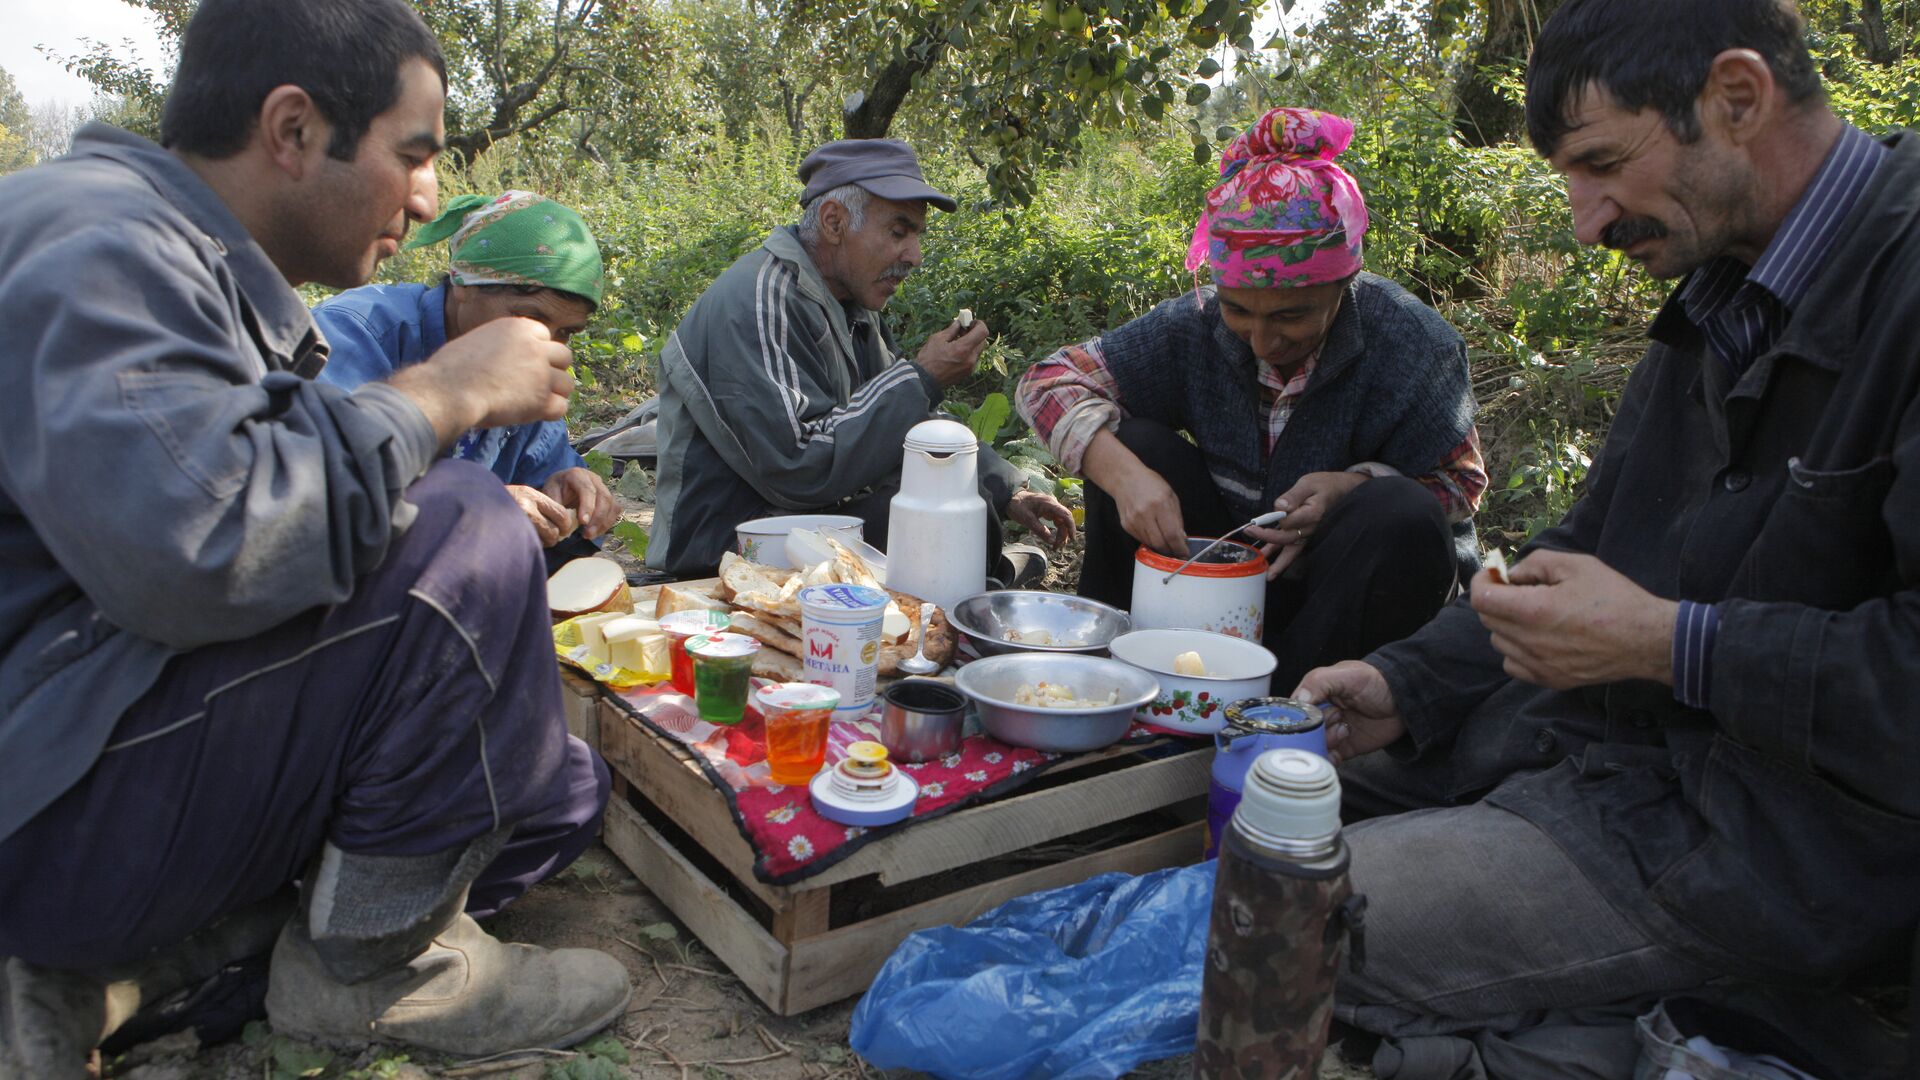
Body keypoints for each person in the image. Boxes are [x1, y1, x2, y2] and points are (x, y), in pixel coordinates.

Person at [0, 0, 630, 1073]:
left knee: (557, 788)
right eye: (415, 154)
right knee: (469, 533)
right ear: (293, 130)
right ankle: (378, 978)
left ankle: (155, 970)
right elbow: (202, 547)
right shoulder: (100, 244)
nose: (430, 198)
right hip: (46, 808)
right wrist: (438, 398)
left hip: (96, 745)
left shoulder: (171, 251)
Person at [1295, 0, 1920, 1071]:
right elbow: (1591, 547)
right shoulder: (1722, 296)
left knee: (1286, 920)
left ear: (1737, 98)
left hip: (1765, 850)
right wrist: (1411, 683)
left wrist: (1672, 644)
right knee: (1256, 795)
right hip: (1593, 757)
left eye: (1601, 165)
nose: (1586, 223)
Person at [1015, 107, 1487, 691]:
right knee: (1133, 446)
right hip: (1229, 576)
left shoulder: (1416, 345)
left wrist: (1354, 489)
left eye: (1292, 316)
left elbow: (1461, 484)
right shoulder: (1196, 324)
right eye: (1239, 311)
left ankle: (1300, 710)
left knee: (1400, 514)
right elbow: (1048, 380)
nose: (1263, 341)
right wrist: (1125, 476)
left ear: (1343, 285)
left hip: (1346, 598)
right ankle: (1110, 680)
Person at [647, 138, 1076, 578]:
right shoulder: (759, 301)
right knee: (935, 519)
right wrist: (922, 377)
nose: (914, 256)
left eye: (916, 236)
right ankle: (984, 580)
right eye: (898, 231)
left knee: (964, 504)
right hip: (726, 545)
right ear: (834, 222)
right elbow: (798, 470)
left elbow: (906, 423)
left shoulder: (851, 306)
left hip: (803, 521)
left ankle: (981, 575)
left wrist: (1006, 489)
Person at [314, 191, 620, 567]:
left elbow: (546, 490)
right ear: (464, 285)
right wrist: (473, 505)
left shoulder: (528, 374)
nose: (542, 344)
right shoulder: (356, 334)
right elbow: (314, 491)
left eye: (565, 333)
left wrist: (568, 499)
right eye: (530, 318)